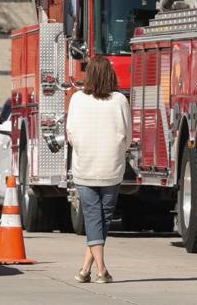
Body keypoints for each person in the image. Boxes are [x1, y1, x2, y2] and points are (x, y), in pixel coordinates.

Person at [66, 56, 131, 284]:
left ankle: (89, 269)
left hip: (85, 166)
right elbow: (128, 136)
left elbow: (70, 134)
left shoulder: (77, 99)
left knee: (94, 219)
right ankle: (99, 270)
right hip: (111, 168)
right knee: (102, 218)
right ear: (110, 75)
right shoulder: (120, 100)